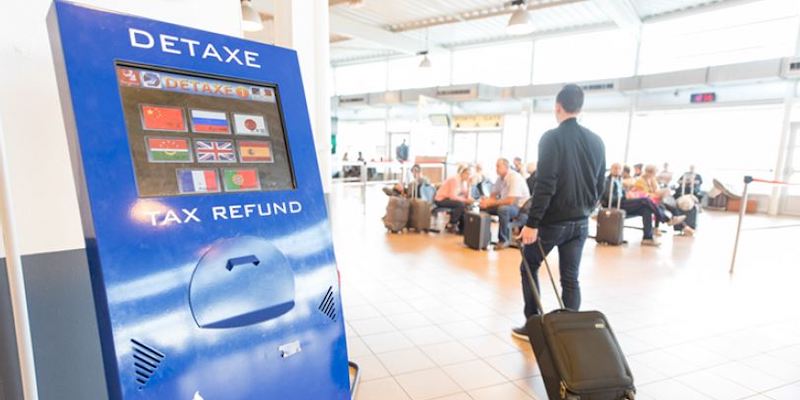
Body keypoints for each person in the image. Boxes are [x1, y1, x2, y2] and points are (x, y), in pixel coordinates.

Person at [514, 84, 605, 340]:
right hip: (581, 222)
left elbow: (546, 184)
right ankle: (570, 332)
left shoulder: (551, 138)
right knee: (570, 278)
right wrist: (587, 209)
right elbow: (600, 184)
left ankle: (533, 324)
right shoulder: (596, 141)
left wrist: (532, 223)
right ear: (580, 108)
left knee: (529, 265)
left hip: (553, 222)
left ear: (557, 107)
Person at [604, 163, 685, 247]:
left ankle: (647, 238)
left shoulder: (619, 180)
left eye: (619, 169)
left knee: (646, 209)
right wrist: (623, 196)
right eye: (615, 168)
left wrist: (627, 195)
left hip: (623, 202)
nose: (617, 170)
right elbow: (607, 197)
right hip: (615, 204)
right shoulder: (607, 181)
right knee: (646, 200)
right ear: (611, 169)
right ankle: (667, 219)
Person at [480, 158, 530, 250]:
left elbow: (510, 201)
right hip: (509, 206)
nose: (496, 169)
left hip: (520, 209)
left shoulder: (515, 177)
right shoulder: (500, 178)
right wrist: (486, 202)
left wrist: (491, 203)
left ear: (506, 167)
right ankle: (484, 237)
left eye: (498, 166)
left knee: (503, 209)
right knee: (484, 208)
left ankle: (504, 240)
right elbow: (493, 195)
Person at [434, 165, 473, 233]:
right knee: (460, 204)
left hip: (449, 199)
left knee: (465, 205)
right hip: (441, 199)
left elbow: (466, 196)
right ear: (462, 173)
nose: (468, 176)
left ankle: (462, 227)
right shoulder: (454, 180)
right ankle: (452, 224)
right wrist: (466, 200)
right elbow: (452, 196)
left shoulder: (464, 182)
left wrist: (469, 186)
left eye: (469, 174)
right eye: (467, 174)